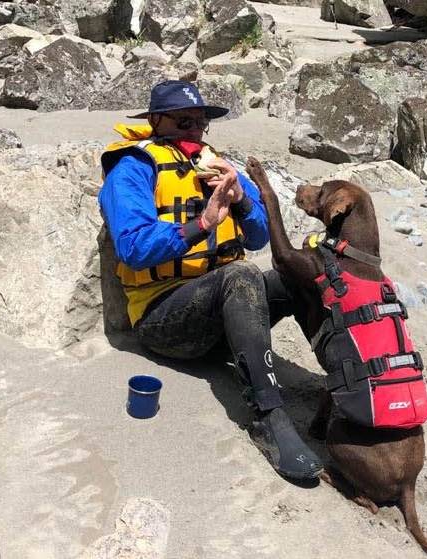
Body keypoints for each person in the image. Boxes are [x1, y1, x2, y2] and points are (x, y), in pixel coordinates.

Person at [98, 80, 322, 480]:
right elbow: (131, 247)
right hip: (162, 319)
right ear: (155, 121)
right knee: (240, 275)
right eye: (184, 122)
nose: (194, 133)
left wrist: (243, 200)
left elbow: (256, 238)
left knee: (302, 276)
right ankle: (269, 415)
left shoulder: (217, 164)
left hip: (224, 308)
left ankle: (340, 384)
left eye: (201, 124)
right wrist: (202, 224)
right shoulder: (133, 167)